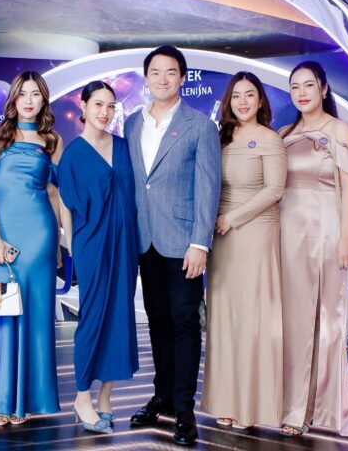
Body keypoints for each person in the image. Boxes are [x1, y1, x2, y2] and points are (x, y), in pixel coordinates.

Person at [278, 61, 348, 437]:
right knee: (293, 323)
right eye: (295, 87)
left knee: (327, 321)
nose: (301, 92)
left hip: (326, 232)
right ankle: (293, 405)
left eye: (309, 85)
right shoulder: (284, 133)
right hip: (287, 235)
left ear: (323, 89)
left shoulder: (340, 130)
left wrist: (344, 239)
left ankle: (321, 408)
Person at [125, 45, 222, 446]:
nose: (162, 79)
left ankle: (184, 407)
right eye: (155, 72)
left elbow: (209, 188)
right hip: (145, 239)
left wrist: (200, 243)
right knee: (158, 320)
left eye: (170, 72)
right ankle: (161, 395)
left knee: (184, 322)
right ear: (146, 78)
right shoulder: (131, 123)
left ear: (182, 78)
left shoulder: (200, 126)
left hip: (184, 244)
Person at [0, 70, 62, 426]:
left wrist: (60, 242)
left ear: (43, 100)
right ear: (13, 98)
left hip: (41, 236)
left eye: (35, 94)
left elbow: (54, 194)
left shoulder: (52, 140)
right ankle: (5, 400)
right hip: (3, 235)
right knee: (5, 314)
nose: (29, 100)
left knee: (38, 317)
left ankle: (29, 402)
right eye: (23, 93)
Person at [201, 72, 287, 430]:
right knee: (224, 318)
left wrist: (232, 219)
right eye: (236, 95)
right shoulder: (219, 138)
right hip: (220, 236)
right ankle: (226, 400)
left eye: (250, 95)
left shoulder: (270, 139)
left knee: (253, 317)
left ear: (260, 100)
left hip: (254, 232)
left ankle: (253, 405)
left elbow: (274, 190)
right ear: (228, 101)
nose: (242, 102)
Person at [58, 81, 140, 434]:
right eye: (98, 105)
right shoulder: (73, 154)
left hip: (126, 244)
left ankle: (105, 397)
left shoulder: (123, 147)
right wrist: (72, 245)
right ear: (84, 106)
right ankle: (81, 397)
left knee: (119, 318)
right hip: (91, 244)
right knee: (92, 318)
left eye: (110, 106)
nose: (105, 112)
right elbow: (65, 203)